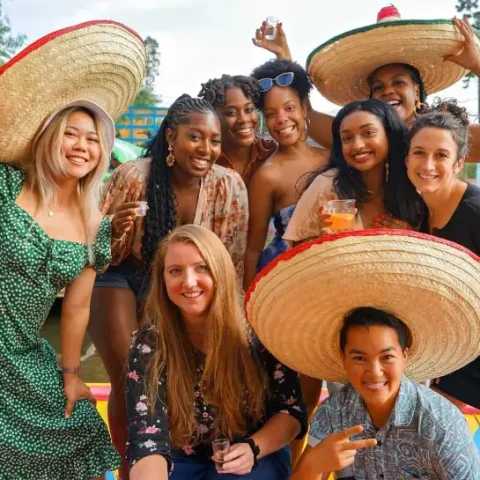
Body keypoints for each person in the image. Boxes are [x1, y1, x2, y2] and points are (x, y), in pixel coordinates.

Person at [0, 20, 146, 479]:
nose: (82, 146)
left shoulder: (93, 225)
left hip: (22, 350)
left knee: (77, 425)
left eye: (93, 138)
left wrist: (70, 374)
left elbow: (78, 307)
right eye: (71, 133)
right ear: (50, 135)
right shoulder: (7, 184)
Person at [89, 94, 249, 478]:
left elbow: (230, 261)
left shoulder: (228, 186)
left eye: (214, 140)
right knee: (130, 374)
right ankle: (131, 469)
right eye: (195, 137)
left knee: (173, 377)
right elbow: (94, 252)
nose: (207, 149)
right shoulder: (134, 175)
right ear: (172, 137)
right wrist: (115, 229)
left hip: (186, 283)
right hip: (123, 272)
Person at [246, 230, 480, 479]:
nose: (374, 371)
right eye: (359, 358)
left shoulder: (440, 423)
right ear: (343, 357)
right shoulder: (335, 412)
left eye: (386, 357)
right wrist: (313, 465)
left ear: (405, 356)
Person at [126, 224, 307, 480]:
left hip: (252, 452)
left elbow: (291, 412)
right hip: (180, 458)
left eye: (202, 268)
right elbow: (147, 439)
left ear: (220, 271)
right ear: (163, 279)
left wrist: (254, 448)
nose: (189, 282)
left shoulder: (259, 329)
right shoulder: (148, 343)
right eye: (175, 271)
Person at [253, 8, 480, 163]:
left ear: (417, 90)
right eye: (378, 87)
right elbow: (306, 115)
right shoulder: (358, 140)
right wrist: (283, 57)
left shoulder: (445, 135)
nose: (388, 91)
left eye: (399, 82)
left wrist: (477, 65)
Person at [406, 99, 480, 410]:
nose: (427, 165)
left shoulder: (474, 212)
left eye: (441, 156)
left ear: (459, 163)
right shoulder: (420, 212)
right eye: (419, 153)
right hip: (452, 350)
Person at [284, 98, 422, 244]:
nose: (357, 145)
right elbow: (296, 249)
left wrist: (412, 235)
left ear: (389, 135)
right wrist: (324, 242)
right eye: (347, 138)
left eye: (368, 133)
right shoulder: (327, 185)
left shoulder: (414, 184)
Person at [243, 59, 329, 290]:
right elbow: (253, 248)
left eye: (289, 108)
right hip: (288, 279)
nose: (281, 119)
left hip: (337, 269)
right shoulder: (267, 176)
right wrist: (247, 306)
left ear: (304, 107)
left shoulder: (331, 158)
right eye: (270, 114)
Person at [198, 74, 276, 186]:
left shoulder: (271, 152)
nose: (243, 119)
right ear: (213, 118)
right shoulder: (203, 159)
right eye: (231, 113)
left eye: (249, 109)